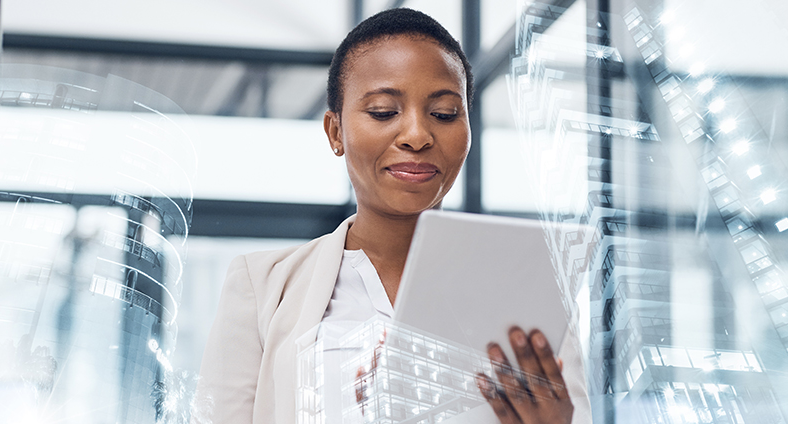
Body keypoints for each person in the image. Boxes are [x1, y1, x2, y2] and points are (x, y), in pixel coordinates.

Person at [196, 8, 588, 424]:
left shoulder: (529, 294)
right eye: (383, 112)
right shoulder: (263, 288)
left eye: (444, 114)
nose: (417, 135)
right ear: (335, 132)